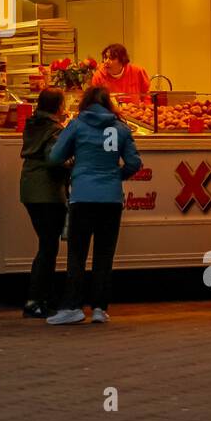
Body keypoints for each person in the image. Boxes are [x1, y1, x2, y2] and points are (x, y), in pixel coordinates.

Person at [45, 86, 142, 325]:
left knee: (77, 254)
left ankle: (73, 306)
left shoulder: (77, 125)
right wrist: (117, 175)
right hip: (111, 199)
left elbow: (55, 156)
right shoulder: (120, 128)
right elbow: (134, 162)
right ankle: (100, 308)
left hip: (83, 197)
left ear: (85, 102)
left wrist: (74, 165)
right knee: (104, 255)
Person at [18, 88, 70, 318]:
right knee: (48, 247)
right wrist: (72, 162)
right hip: (47, 192)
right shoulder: (54, 131)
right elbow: (54, 159)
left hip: (30, 189)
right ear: (59, 107)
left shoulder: (32, 125)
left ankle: (39, 297)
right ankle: (36, 299)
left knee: (45, 245)